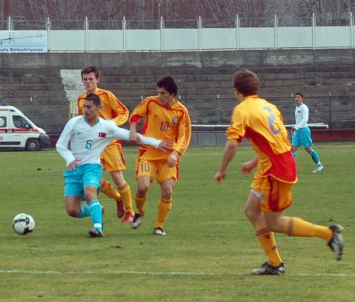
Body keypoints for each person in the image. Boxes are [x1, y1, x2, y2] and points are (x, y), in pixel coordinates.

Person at [214, 68, 344, 275]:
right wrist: (255, 162)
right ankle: (275, 263)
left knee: (273, 222)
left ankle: (329, 234)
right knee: (251, 211)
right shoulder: (268, 106)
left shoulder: (242, 110)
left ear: (237, 91)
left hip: (276, 170)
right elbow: (277, 140)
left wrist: (221, 170)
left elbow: (232, 144)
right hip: (269, 166)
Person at [56, 93, 172, 238]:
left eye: (89, 107)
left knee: (89, 191)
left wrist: (157, 143)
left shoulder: (107, 126)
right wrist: (69, 159)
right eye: (84, 107)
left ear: (99, 108)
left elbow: (132, 136)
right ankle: (98, 209)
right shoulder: (74, 123)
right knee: (72, 211)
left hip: (92, 168)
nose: (86, 110)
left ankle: (97, 228)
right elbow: (60, 145)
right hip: (73, 170)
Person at [129, 76, 191, 236]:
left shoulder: (181, 112)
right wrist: (134, 131)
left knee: (167, 192)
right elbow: (135, 115)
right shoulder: (151, 102)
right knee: (142, 187)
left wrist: (176, 154)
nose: (159, 95)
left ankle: (159, 226)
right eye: (158, 92)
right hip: (148, 153)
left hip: (168, 157)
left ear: (172, 94)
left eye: (163, 93)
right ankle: (140, 212)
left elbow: (185, 136)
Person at [77, 66, 134, 223]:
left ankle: (130, 212)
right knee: (95, 179)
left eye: (90, 79)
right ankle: (118, 199)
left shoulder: (107, 96)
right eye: (85, 79)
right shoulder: (81, 99)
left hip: (110, 143)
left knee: (117, 177)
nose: (87, 82)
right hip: (92, 145)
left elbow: (124, 112)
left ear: (97, 80)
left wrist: (112, 124)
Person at [291, 92, 324, 173]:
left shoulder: (304, 107)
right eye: (295, 97)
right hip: (298, 131)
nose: (297, 98)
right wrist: (295, 128)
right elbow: (298, 120)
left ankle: (319, 165)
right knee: (293, 149)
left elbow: (305, 119)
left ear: (302, 99)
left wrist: (296, 127)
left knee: (308, 149)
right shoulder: (296, 107)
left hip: (303, 130)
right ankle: (291, 168)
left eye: (298, 97)